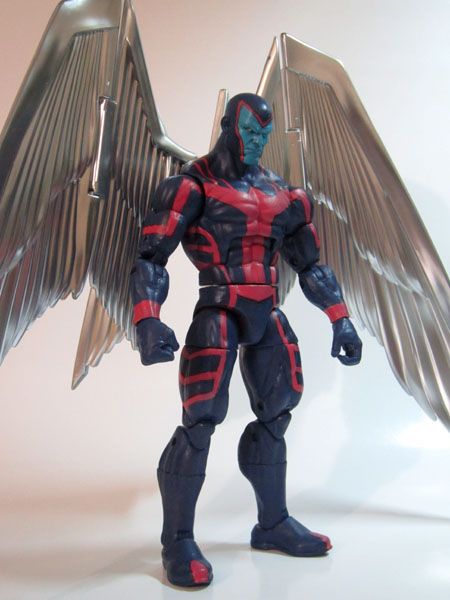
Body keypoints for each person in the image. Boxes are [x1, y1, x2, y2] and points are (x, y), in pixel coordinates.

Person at [131, 93, 362, 587]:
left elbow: (311, 265)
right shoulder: (190, 187)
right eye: (250, 132)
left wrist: (340, 318)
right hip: (218, 309)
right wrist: (147, 319)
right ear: (227, 126)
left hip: (266, 309)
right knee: (201, 420)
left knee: (277, 413)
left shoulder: (286, 195)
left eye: (264, 134)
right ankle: (177, 540)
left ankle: (272, 523)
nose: (257, 141)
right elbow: (151, 257)